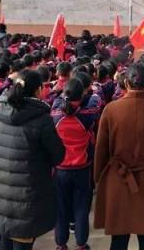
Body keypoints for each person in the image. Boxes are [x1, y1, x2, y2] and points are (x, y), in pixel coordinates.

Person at [0, 69, 65, 250]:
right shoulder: (42, 119)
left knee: (4, 236)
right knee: (22, 239)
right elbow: (58, 155)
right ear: (38, 89)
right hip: (27, 190)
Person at [94, 62, 144, 250]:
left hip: (117, 178)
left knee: (118, 240)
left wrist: (99, 177)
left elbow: (101, 149)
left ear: (126, 83)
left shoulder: (111, 110)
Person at [53, 77, 100, 250]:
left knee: (61, 207)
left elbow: (55, 101)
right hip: (82, 167)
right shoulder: (86, 115)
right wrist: (92, 91)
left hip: (60, 168)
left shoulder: (55, 115)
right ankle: (81, 243)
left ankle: (61, 243)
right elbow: (96, 103)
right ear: (83, 95)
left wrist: (59, 92)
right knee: (81, 207)